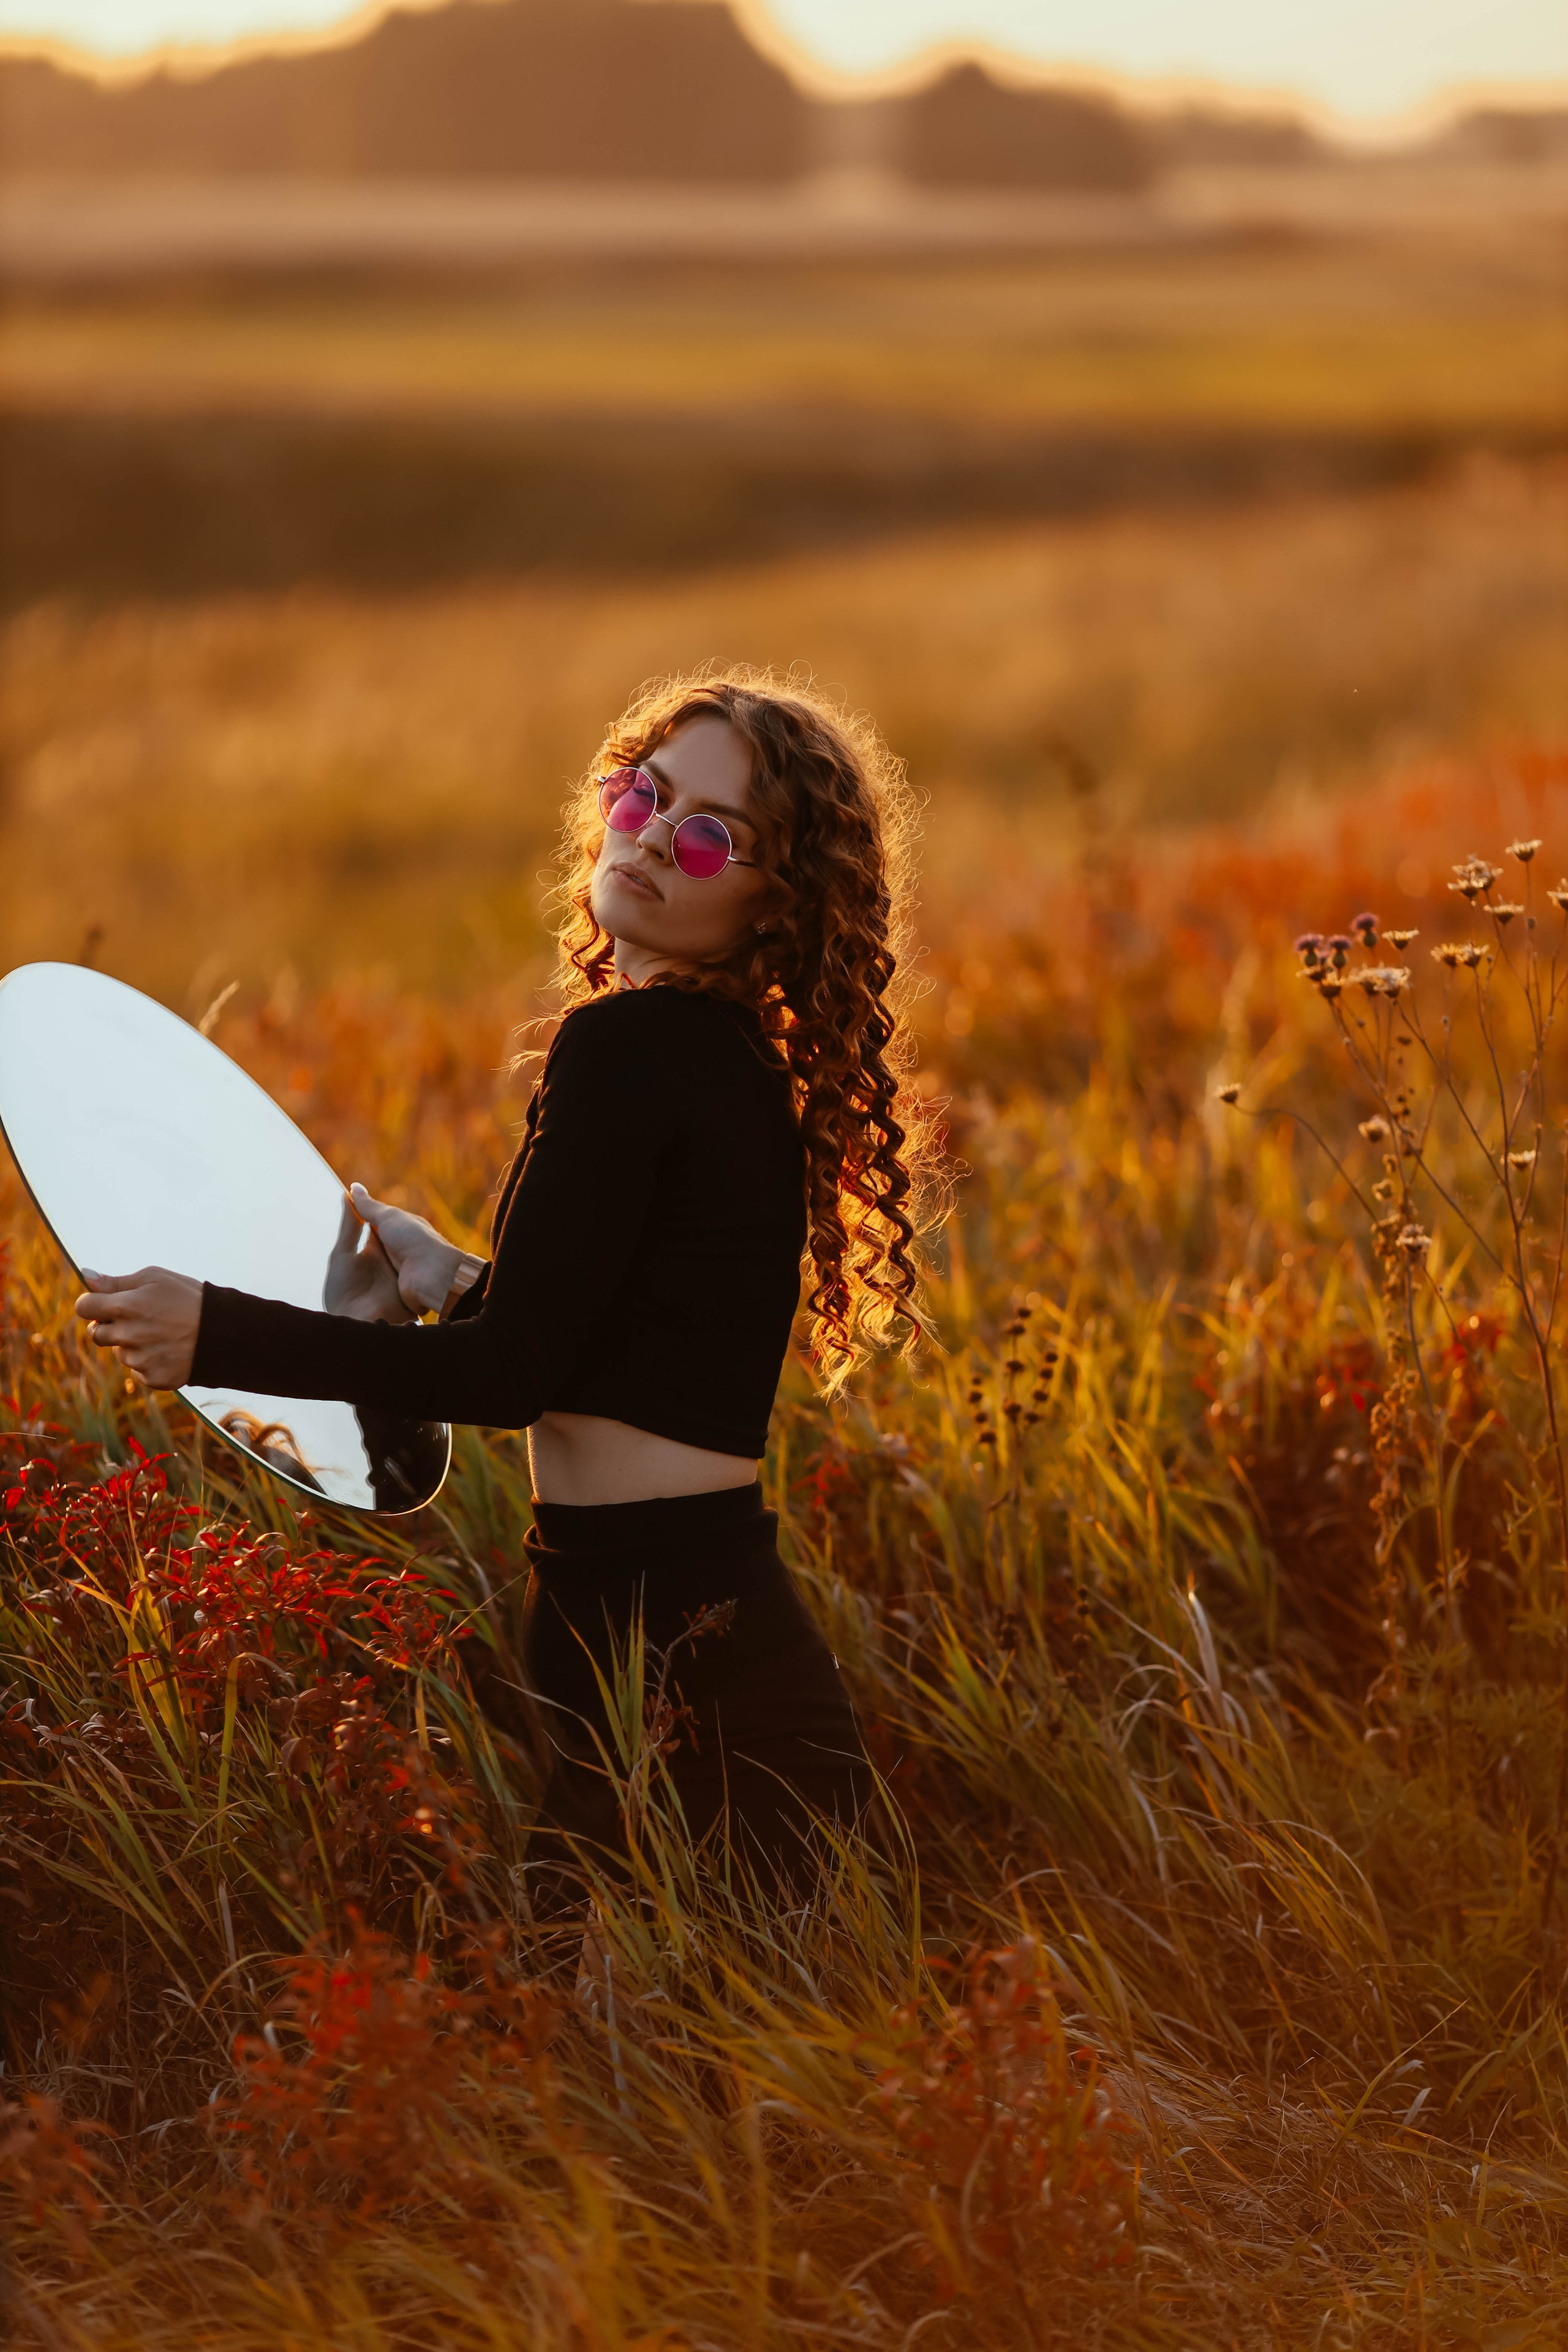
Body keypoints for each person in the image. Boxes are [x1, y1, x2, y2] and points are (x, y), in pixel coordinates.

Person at [74, 671, 932, 1901]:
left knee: (624, 1996)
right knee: (620, 1999)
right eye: (642, 793)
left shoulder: (632, 1046)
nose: (652, 837)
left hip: (679, 1640)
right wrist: (461, 1278)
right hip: (671, 1613)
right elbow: (631, 1358)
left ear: (773, 899)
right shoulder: (723, 1057)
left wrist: (212, 1333)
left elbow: (506, 1380)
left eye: (710, 835)